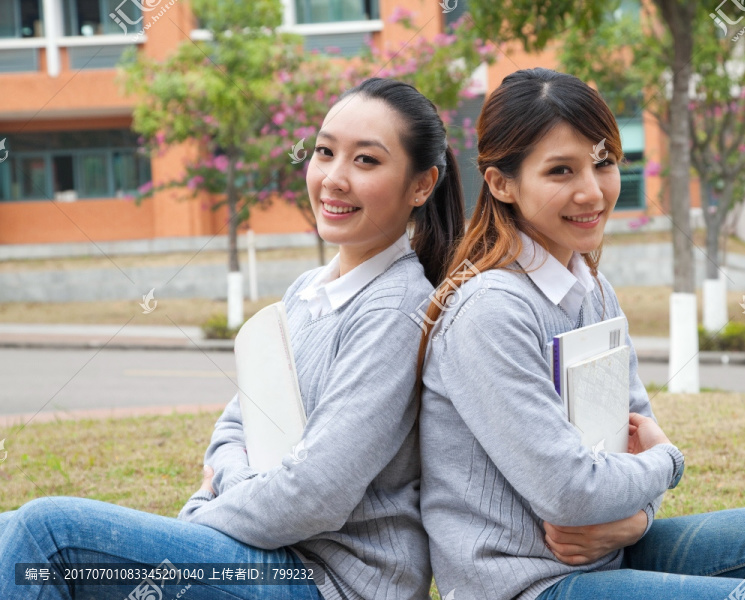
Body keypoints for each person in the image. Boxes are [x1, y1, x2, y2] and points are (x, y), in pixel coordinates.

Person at [416, 67, 745, 600]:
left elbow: (633, 433)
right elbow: (572, 490)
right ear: (501, 183)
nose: (591, 191)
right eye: (560, 171)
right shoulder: (488, 312)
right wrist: (668, 462)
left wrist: (636, 521)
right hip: (528, 586)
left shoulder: (593, 289)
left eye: (602, 163)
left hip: (612, 554)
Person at [0, 77, 464, 600]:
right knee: (7, 530)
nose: (333, 178)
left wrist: (206, 510)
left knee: (46, 533)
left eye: (366, 161)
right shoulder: (309, 290)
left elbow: (316, 495)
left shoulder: (395, 308)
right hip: (265, 552)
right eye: (325, 152)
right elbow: (234, 423)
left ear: (421, 185)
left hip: (330, 580)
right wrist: (237, 480)